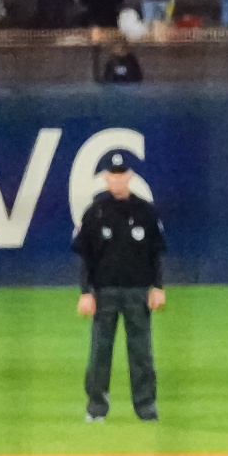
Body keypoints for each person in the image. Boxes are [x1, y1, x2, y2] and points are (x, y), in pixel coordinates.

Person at [73, 148, 165, 423]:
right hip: (104, 293)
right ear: (105, 178)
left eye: (122, 174)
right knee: (100, 353)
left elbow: (155, 254)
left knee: (141, 354)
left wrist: (157, 287)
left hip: (138, 292)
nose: (117, 179)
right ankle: (96, 408)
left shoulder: (146, 212)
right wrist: (86, 292)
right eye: (112, 175)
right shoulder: (95, 212)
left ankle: (146, 408)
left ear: (130, 176)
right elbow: (86, 258)